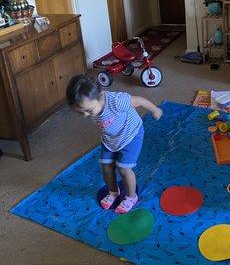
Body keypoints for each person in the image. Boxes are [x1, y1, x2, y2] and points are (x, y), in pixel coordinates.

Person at [66, 75, 163, 214]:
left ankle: (131, 197)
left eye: (88, 111)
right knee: (106, 167)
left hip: (131, 135)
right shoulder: (91, 105)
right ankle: (113, 192)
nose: (87, 116)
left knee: (124, 169)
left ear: (100, 97)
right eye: (81, 113)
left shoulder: (117, 101)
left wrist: (155, 110)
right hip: (111, 139)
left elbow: (140, 100)